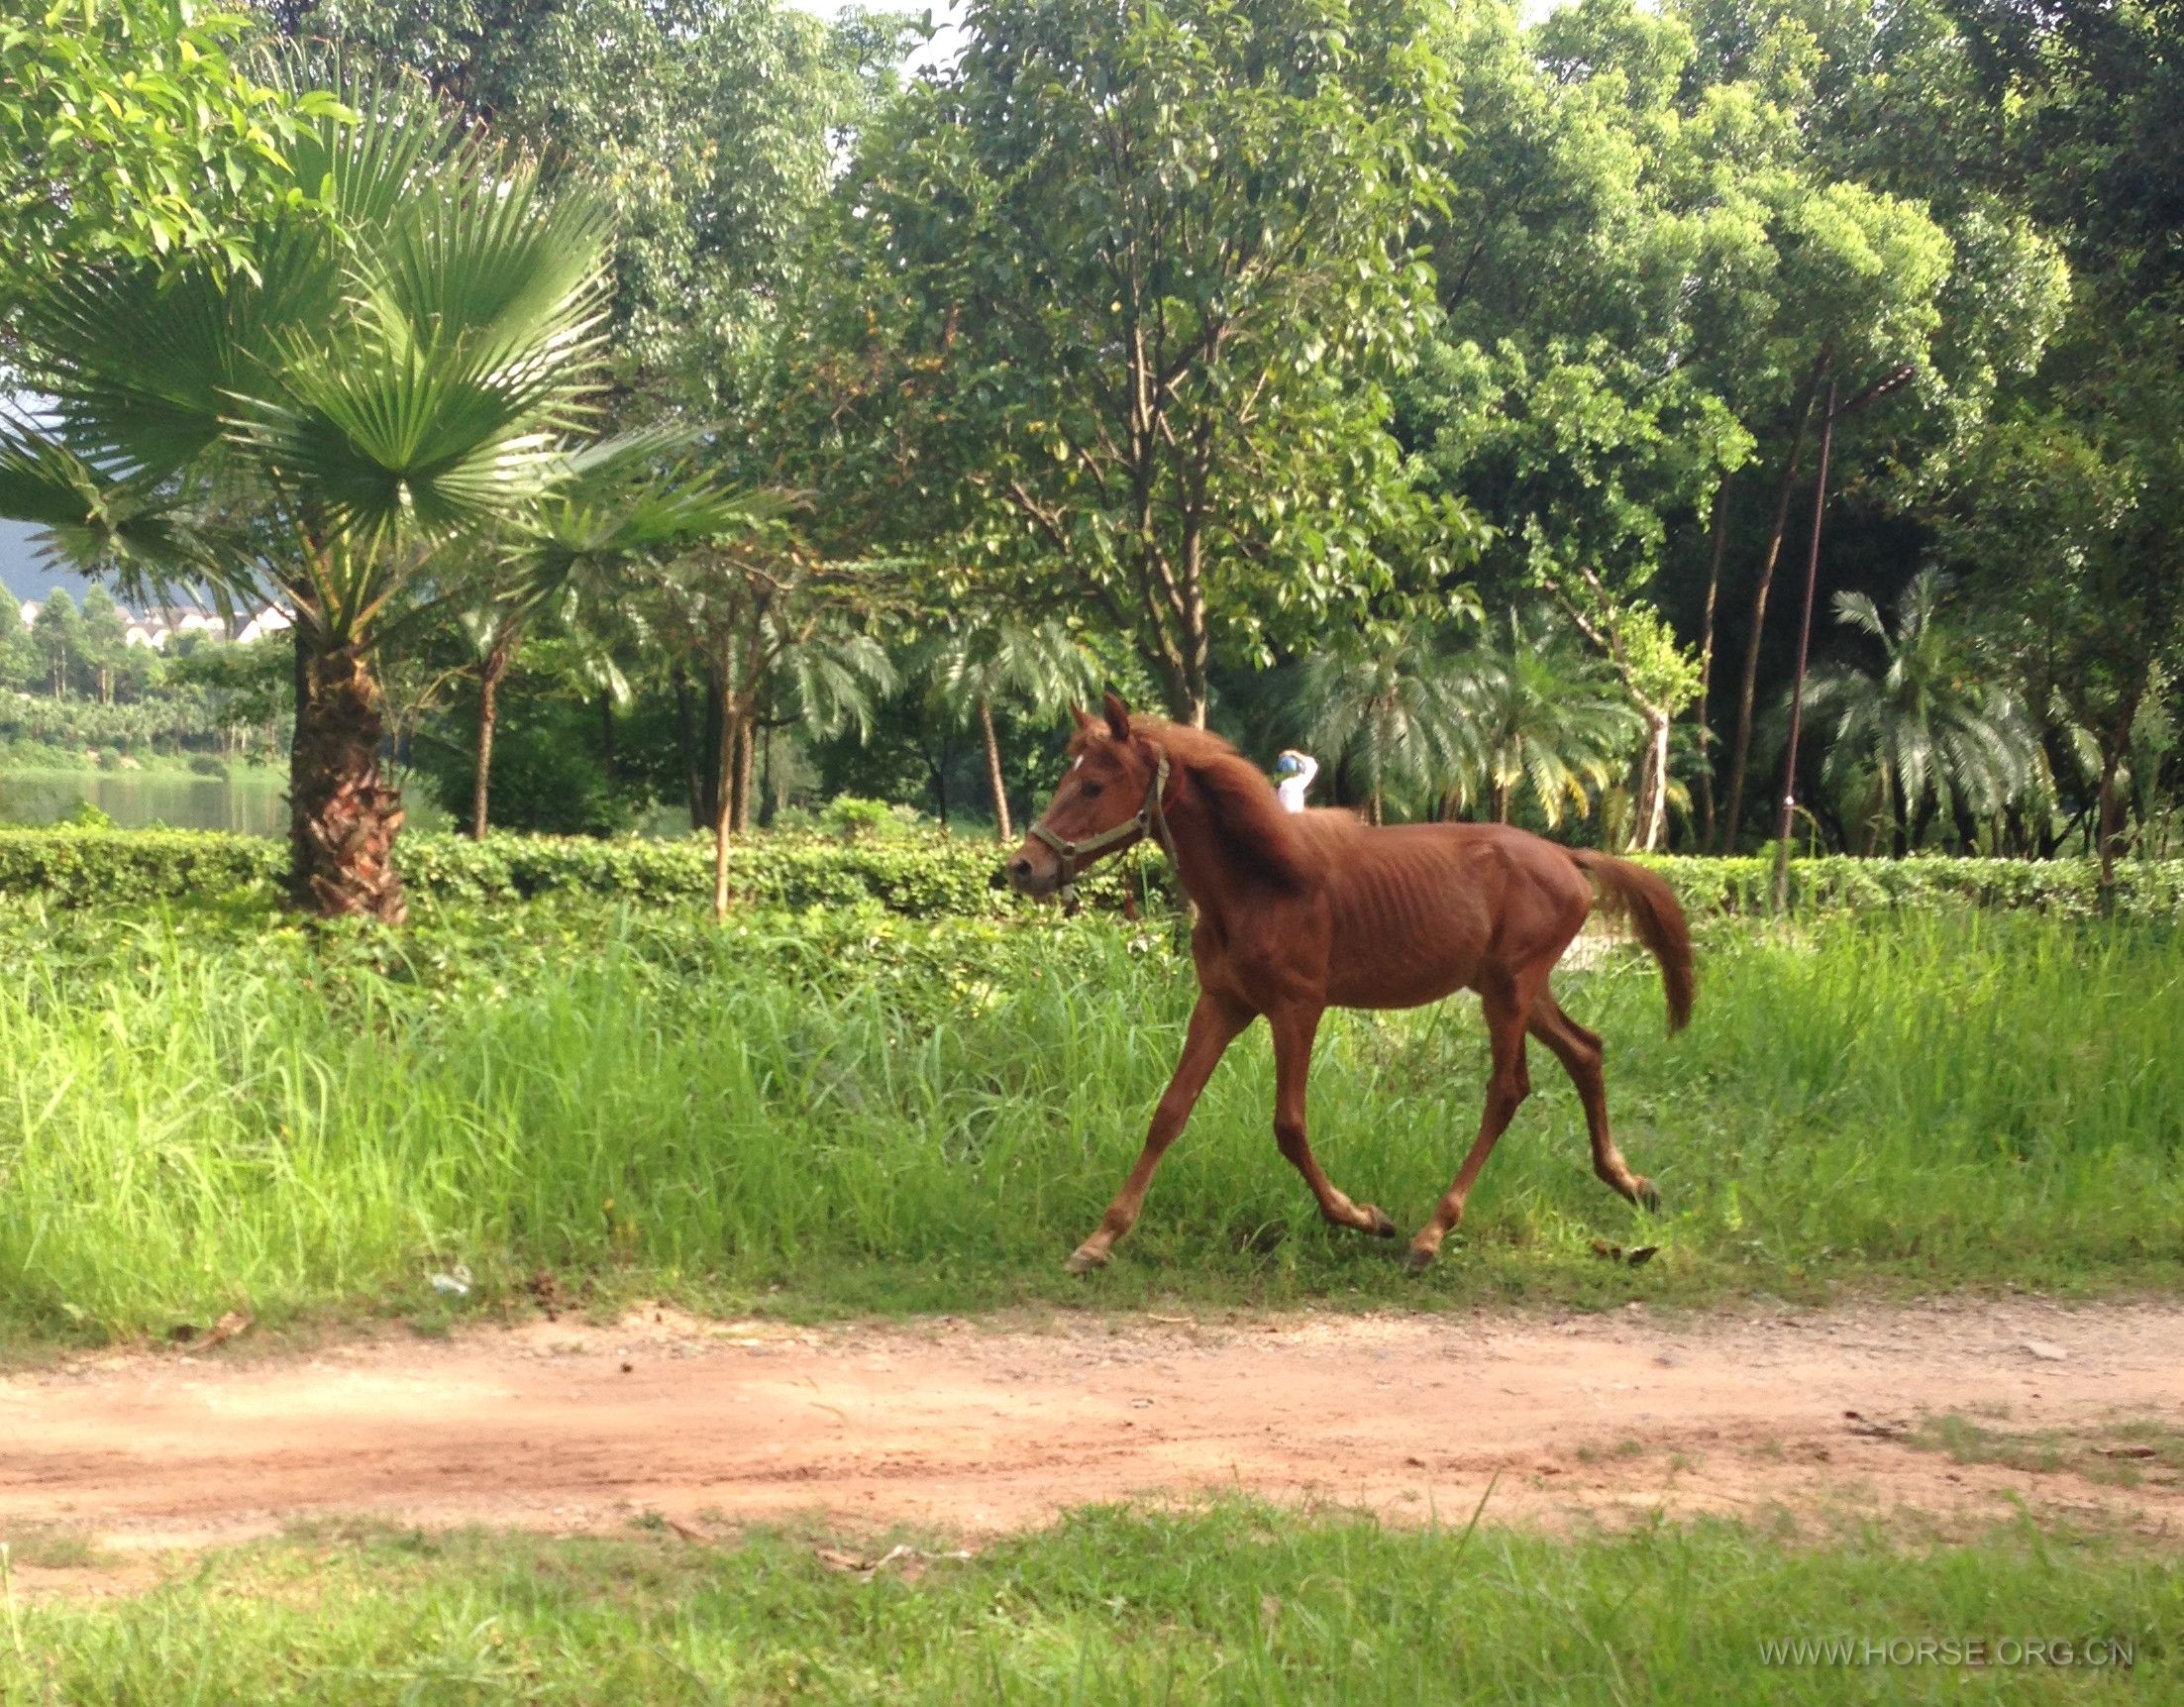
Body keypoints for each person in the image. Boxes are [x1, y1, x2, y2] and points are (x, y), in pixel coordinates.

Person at [1273, 748, 1317, 813]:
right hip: (1296, 820)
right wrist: (1292, 753)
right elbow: (1312, 764)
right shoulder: (1297, 783)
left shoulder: (1280, 787)